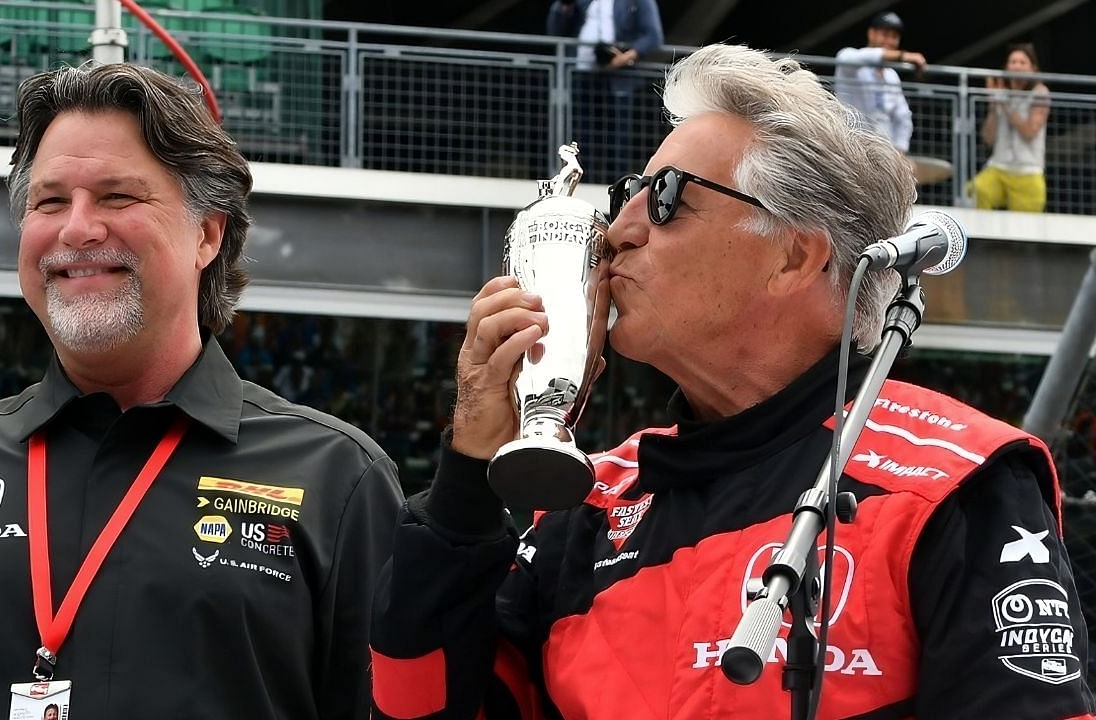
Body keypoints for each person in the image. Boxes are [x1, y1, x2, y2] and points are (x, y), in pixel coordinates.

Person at [369, 43, 1096, 719]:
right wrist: (470, 470)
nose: (616, 229)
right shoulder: (584, 507)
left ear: (793, 258)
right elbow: (417, 708)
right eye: (628, 192)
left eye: (665, 199)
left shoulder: (951, 481)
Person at [0, 62, 403, 719]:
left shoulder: (337, 480)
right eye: (50, 201)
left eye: (118, 197)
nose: (77, 229)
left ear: (207, 234)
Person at [546, 0, 664, 184]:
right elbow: (555, 31)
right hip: (581, 75)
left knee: (617, 141)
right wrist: (564, 7)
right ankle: (581, 183)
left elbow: (653, 36)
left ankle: (618, 188)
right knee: (581, 138)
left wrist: (625, 57)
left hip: (619, 80)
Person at [971, 43, 1050, 212]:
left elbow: (1029, 131)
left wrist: (1005, 104)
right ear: (1007, 66)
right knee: (978, 189)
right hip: (999, 166)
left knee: (1025, 231)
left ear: (1033, 68)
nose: (1017, 66)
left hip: (1028, 170)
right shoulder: (1001, 94)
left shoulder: (1040, 93)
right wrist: (993, 104)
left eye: (1022, 62)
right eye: (1013, 62)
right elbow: (988, 138)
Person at [835, 11, 926, 153]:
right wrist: (903, 56)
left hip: (884, 153)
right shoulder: (850, 56)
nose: (889, 41)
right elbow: (848, 59)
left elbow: (902, 117)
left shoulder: (892, 75)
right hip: (850, 147)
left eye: (894, 37)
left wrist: (900, 151)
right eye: (885, 34)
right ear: (871, 34)